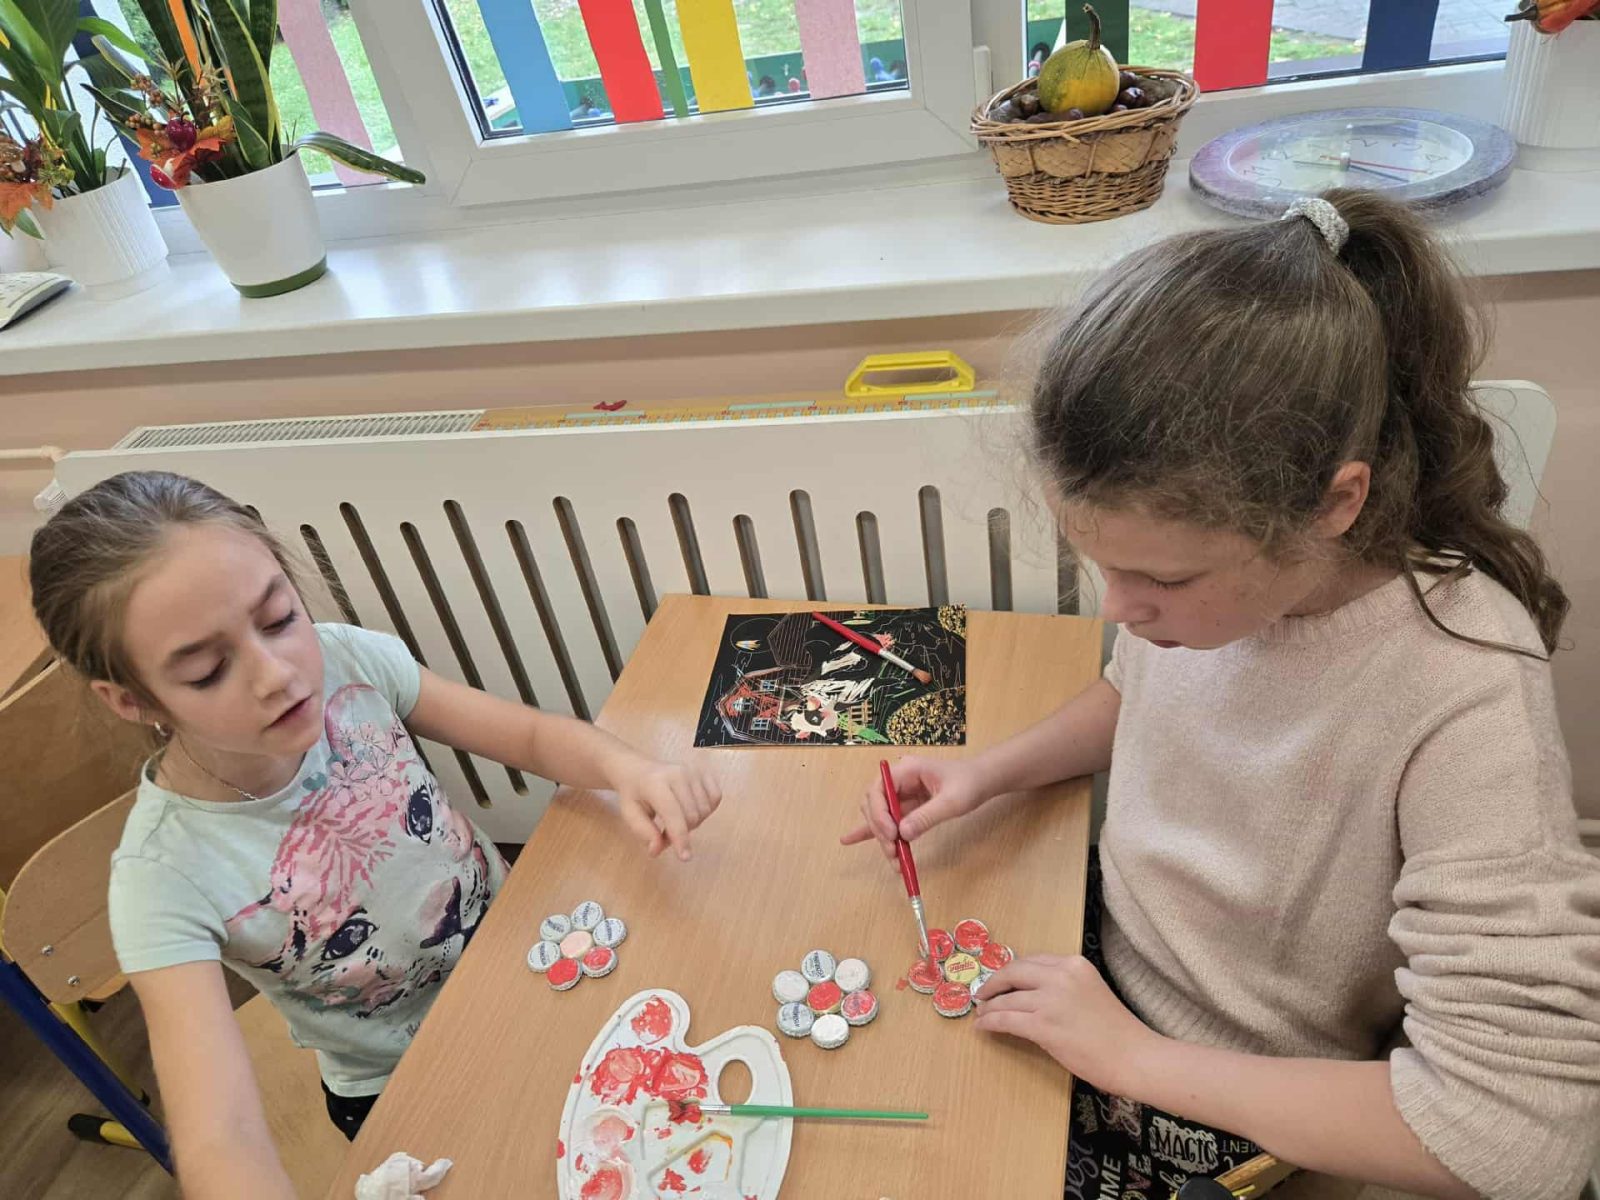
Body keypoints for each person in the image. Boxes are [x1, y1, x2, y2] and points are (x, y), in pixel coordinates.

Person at [845, 191, 1600, 1200]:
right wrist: (988, 773)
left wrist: (1132, 1059)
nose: (1120, 609)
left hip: (1235, 1098)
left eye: (1163, 579)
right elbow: (1139, 696)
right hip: (1105, 971)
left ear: (1335, 503)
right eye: (1103, 567)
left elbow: (1519, 1138)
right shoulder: (1226, 588)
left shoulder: (1465, 688)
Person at [30, 471, 721, 1198]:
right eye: (207, 670)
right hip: (404, 1080)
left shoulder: (348, 664)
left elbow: (527, 735)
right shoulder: (160, 878)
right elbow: (220, 1136)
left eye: (279, 618)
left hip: (525, 961)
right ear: (132, 700)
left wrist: (629, 768)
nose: (277, 674)